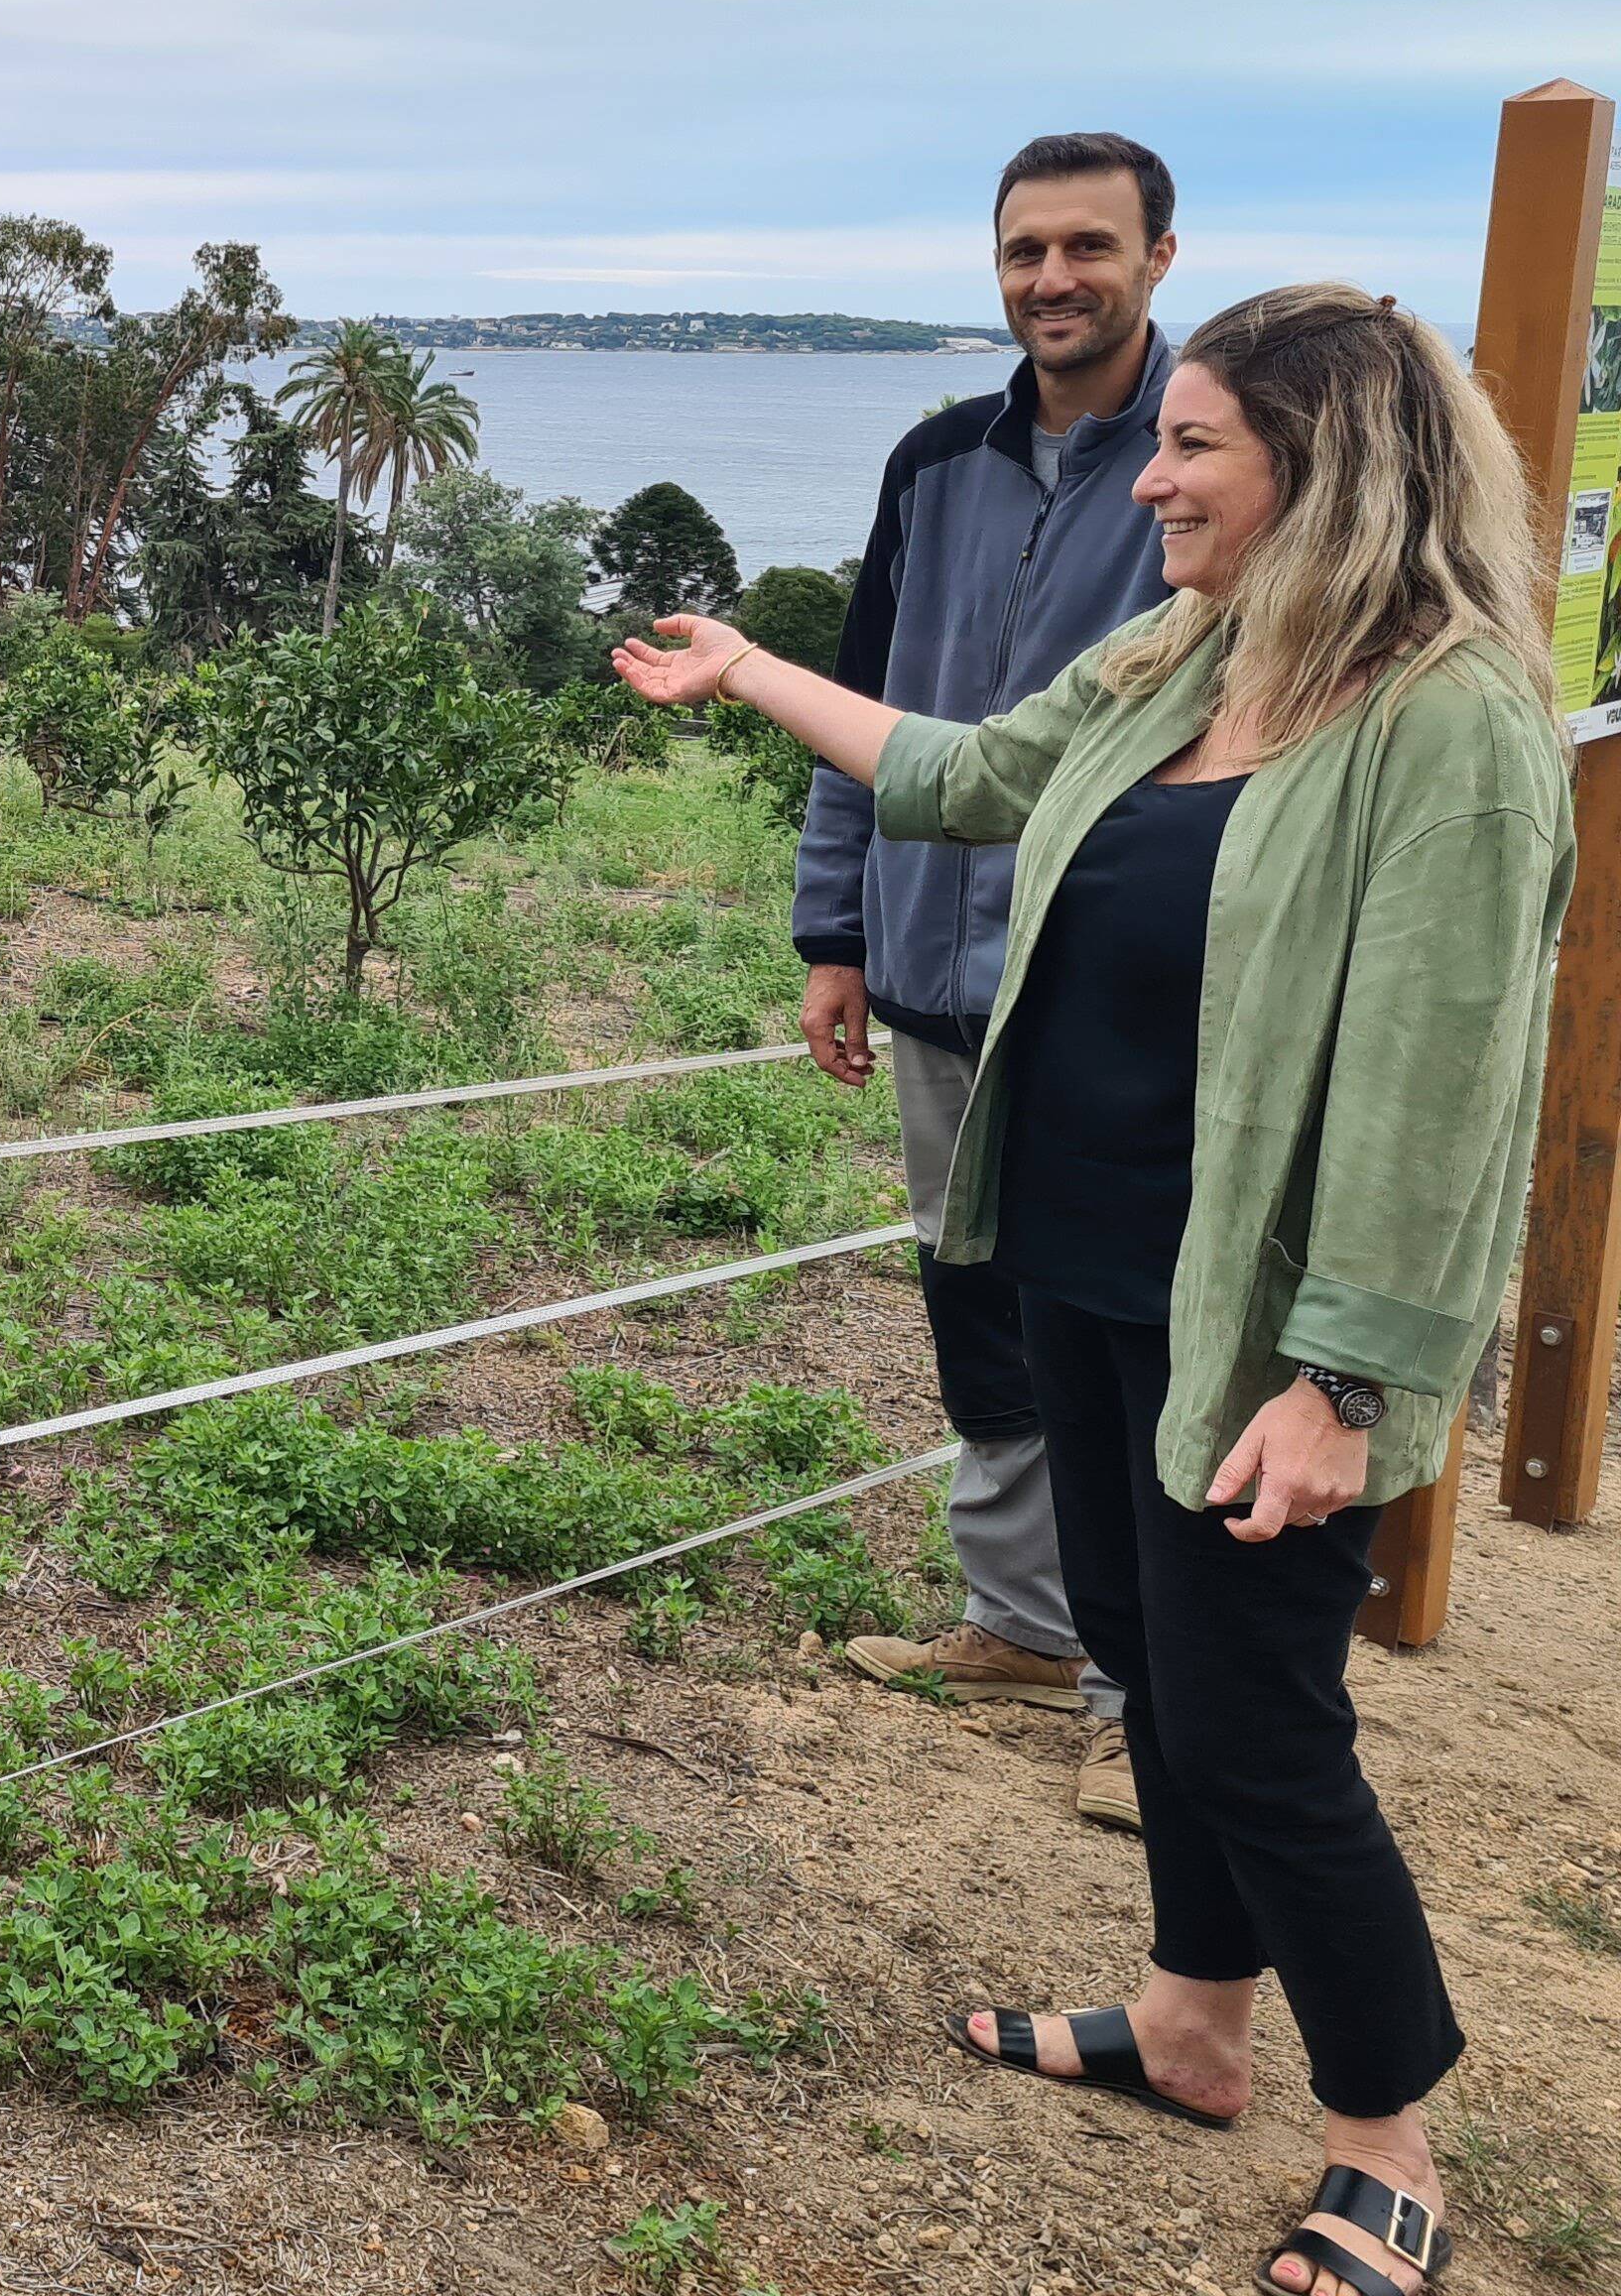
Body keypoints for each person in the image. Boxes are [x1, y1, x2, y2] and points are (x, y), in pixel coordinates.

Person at [615, 283, 1570, 2296]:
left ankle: (1386, 2141)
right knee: (1148, 1660)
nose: (1152, 478)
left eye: (1197, 444)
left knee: (1253, 1725)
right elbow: (959, 776)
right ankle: (1196, 2023)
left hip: (1263, 1328)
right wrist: (756, 669)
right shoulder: (1183, 659)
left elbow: (1436, 1090)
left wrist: (1350, 1381)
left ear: (1329, 462)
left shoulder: (1452, 723)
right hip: (1084, 1265)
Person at [794, 131, 1180, 1830]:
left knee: (1119, 1327)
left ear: (1161, 256)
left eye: (1089, 246)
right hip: (935, 964)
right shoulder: (935, 459)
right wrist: (834, 929)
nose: (1053, 280)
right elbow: (860, 703)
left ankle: (1134, 1694)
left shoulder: (1212, 456)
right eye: (1026, 250)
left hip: (1114, 983)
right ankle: (1020, 1628)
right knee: (978, 1300)